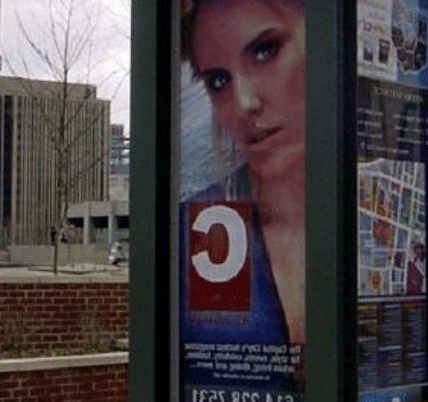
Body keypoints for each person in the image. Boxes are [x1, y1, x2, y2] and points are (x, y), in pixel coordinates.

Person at [179, 0, 306, 393]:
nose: (244, 102)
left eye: (265, 50)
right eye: (219, 81)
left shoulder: (377, 216)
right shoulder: (200, 228)